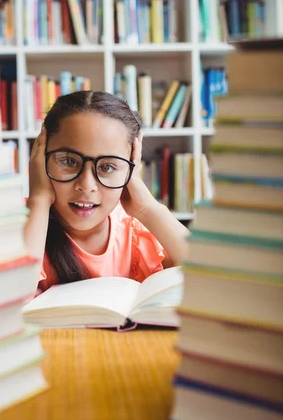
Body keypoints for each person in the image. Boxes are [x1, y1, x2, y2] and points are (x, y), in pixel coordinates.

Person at [24, 91, 189, 293]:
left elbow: (210, 277)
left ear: (131, 167)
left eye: (107, 167)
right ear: (41, 157)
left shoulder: (136, 235)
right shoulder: (25, 227)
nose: (86, 185)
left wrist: (147, 208)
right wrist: (39, 200)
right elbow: (8, 304)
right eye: (69, 161)